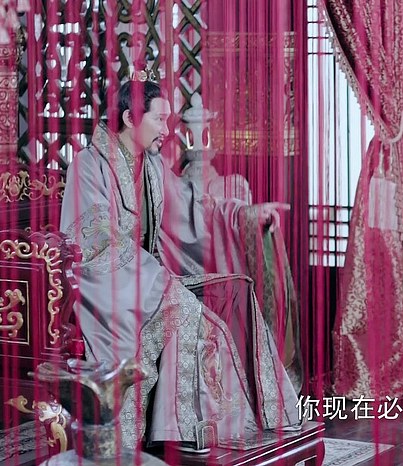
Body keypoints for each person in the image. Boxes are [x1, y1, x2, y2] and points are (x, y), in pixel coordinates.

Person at [60, 73, 302, 453]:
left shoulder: (151, 166)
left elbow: (194, 210)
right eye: (159, 119)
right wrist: (155, 280)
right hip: (108, 287)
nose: (167, 130)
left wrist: (245, 215)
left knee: (235, 294)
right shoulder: (88, 166)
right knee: (184, 310)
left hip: (150, 278)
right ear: (130, 118)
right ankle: (179, 433)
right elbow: (95, 242)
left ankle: (248, 422)